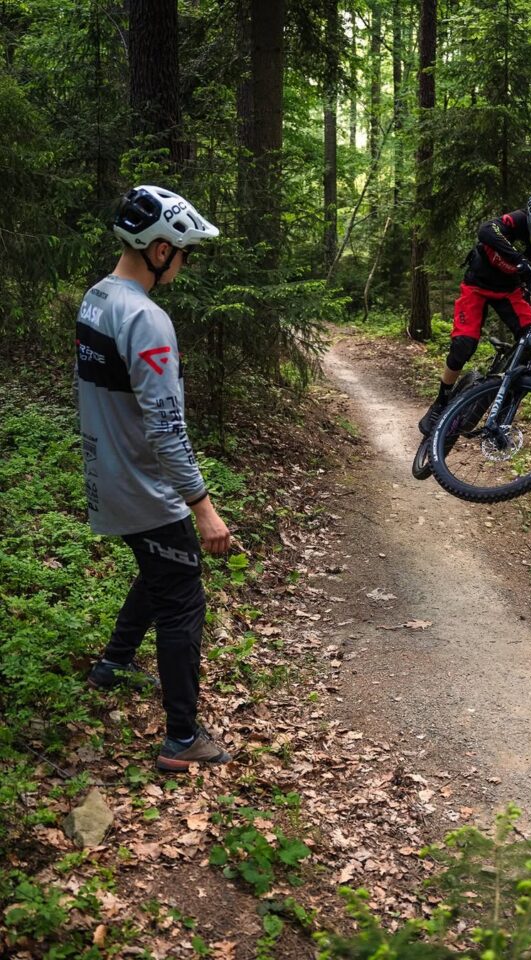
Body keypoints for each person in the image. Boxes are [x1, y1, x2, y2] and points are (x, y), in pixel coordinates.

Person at [78, 185, 232, 772]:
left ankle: (114, 662)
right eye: (185, 251)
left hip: (109, 470)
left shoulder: (98, 297)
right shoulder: (147, 319)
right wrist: (203, 508)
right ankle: (182, 736)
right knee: (182, 599)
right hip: (147, 485)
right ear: (161, 250)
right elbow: (167, 427)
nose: (186, 263)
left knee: (160, 568)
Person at [418, 182, 531, 435]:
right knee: (463, 345)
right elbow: (486, 230)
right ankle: (441, 401)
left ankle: (499, 395)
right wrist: (519, 260)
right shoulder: (518, 221)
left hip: (510, 293)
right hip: (477, 286)